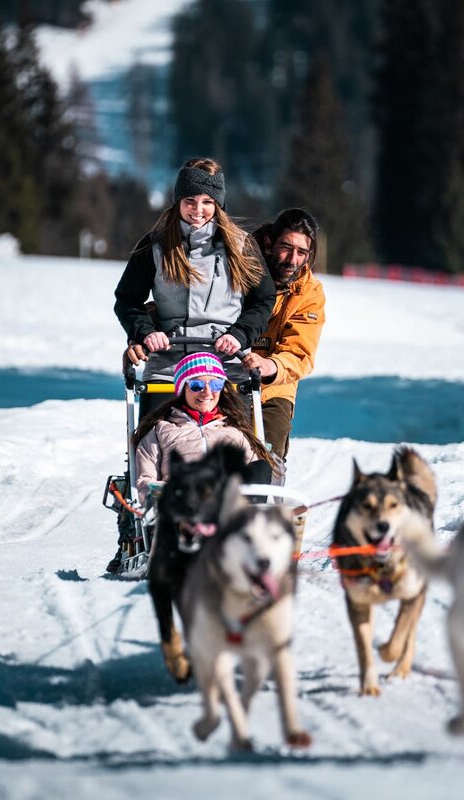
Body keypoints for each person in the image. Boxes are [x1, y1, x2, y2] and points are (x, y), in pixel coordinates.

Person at [113, 157, 275, 412]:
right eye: (190, 201)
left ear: (218, 204)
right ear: (178, 201)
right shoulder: (156, 245)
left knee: (235, 444)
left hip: (225, 365)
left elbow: (263, 299)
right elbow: (127, 299)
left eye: (207, 202)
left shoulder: (241, 246)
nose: (198, 210)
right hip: (170, 365)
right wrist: (146, 332)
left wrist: (240, 334)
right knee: (158, 440)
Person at [106, 352, 272, 573]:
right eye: (195, 385)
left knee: (261, 467)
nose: (206, 392)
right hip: (182, 512)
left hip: (227, 509)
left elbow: (256, 480)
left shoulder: (234, 433)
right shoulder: (161, 430)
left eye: (215, 383)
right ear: (182, 388)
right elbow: (144, 481)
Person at [243, 208, 326, 461]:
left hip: (274, 386)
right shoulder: (239, 269)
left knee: (267, 452)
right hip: (220, 378)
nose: (292, 259)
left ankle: (261, 491)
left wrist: (270, 365)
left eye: (302, 252)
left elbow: (300, 352)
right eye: (286, 248)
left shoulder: (309, 293)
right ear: (269, 242)